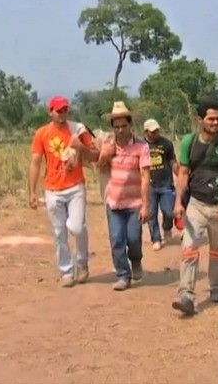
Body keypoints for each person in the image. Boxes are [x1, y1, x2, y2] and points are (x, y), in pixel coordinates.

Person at [173, 98, 218, 315]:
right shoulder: (189, 143)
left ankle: (216, 286)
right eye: (210, 118)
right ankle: (186, 295)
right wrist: (178, 202)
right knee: (189, 247)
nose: (215, 122)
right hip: (197, 205)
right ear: (200, 120)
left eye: (217, 118)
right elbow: (183, 174)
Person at [28, 96, 99, 288]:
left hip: (75, 186)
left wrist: (80, 147)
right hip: (52, 189)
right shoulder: (42, 134)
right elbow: (35, 163)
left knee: (76, 227)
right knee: (59, 232)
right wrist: (32, 192)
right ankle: (67, 271)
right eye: (59, 110)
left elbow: (95, 155)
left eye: (65, 110)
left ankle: (82, 262)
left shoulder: (78, 130)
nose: (62, 114)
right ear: (50, 112)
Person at [96, 101, 151, 291]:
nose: (120, 130)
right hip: (114, 201)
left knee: (134, 238)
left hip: (134, 202)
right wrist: (105, 155)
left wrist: (146, 205)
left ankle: (136, 260)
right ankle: (122, 275)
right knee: (117, 240)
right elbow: (100, 169)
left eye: (123, 126)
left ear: (130, 125)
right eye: (116, 127)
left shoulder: (141, 147)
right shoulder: (107, 145)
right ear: (112, 127)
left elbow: (145, 176)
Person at [143, 119, 178, 251]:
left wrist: (179, 175)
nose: (155, 133)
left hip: (166, 184)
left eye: (157, 130)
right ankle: (156, 238)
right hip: (150, 185)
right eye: (152, 132)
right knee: (151, 213)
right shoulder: (141, 145)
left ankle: (167, 227)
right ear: (146, 132)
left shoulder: (166, 144)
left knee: (168, 211)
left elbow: (172, 161)